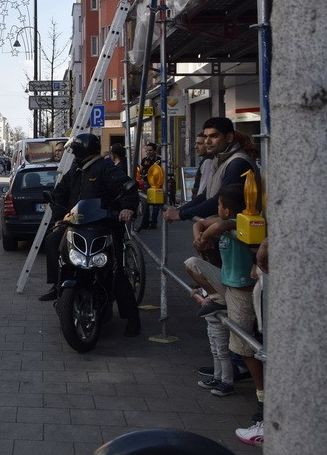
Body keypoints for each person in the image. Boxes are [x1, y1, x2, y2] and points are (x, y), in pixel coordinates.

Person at [40, 133, 141, 337]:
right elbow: (60, 193)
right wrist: (60, 217)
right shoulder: (76, 169)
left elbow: (127, 185)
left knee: (116, 272)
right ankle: (56, 284)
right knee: (52, 241)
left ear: (83, 149)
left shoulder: (105, 168)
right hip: (76, 226)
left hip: (105, 227)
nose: (72, 152)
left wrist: (127, 208)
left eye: (75, 148)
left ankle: (132, 319)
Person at [193, 184, 266, 440]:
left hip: (242, 293)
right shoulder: (229, 220)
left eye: (219, 205)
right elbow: (204, 222)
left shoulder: (238, 224)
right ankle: (214, 298)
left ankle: (263, 404)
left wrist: (208, 231)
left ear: (227, 208)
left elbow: (218, 226)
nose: (217, 209)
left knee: (245, 348)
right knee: (238, 345)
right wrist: (199, 232)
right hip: (228, 286)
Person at [165, 117, 257, 223]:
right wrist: (178, 211)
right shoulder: (219, 160)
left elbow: (218, 202)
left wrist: (181, 214)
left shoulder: (237, 162)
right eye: (206, 136)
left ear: (229, 137)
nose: (207, 141)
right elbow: (205, 196)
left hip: (235, 234)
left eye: (214, 136)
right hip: (217, 229)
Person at [137, 142, 161, 230]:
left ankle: (154, 222)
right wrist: (141, 175)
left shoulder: (159, 160)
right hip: (146, 184)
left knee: (156, 204)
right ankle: (145, 222)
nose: (148, 152)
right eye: (147, 150)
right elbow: (141, 170)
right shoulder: (144, 160)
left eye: (150, 150)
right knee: (145, 203)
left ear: (154, 151)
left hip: (157, 184)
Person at [192, 132, 215, 201]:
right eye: (196, 143)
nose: (196, 147)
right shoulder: (207, 160)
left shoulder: (208, 162)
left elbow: (203, 189)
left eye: (200, 144)